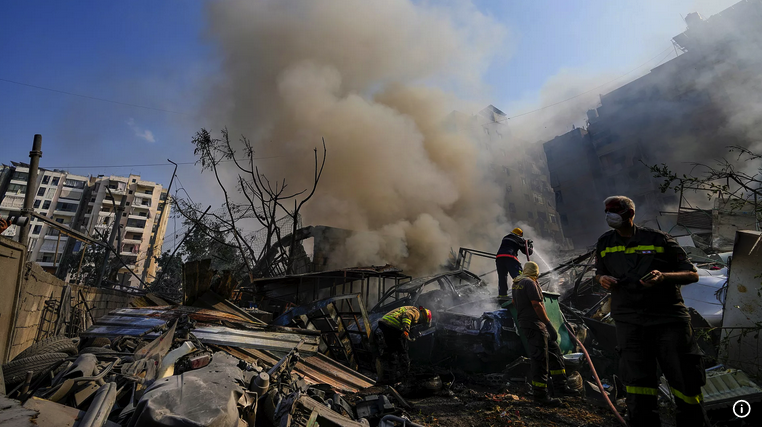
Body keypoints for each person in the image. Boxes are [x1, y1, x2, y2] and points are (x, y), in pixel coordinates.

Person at [595, 195, 704, 427]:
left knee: (684, 378)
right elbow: (599, 273)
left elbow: (692, 273)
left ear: (630, 214)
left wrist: (663, 276)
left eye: (616, 210)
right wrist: (602, 279)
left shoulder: (659, 239)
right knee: (637, 382)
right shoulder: (604, 243)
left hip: (668, 320)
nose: (610, 215)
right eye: (607, 210)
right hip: (629, 322)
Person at [512, 261, 577, 406]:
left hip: (531, 324)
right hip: (535, 325)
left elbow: (514, 302)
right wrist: (548, 324)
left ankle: (561, 387)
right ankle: (540, 396)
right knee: (540, 359)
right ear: (535, 271)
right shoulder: (529, 282)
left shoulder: (516, 283)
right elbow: (537, 304)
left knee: (555, 352)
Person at [377, 305, 432, 379]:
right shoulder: (416, 312)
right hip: (392, 325)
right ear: (424, 318)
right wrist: (406, 330)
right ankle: (404, 373)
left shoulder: (414, 311)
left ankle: (391, 373)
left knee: (392, 349)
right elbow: (407, 315)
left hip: (385, 323)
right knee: (403, 350)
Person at [496, 227, 533, 297]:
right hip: (510, 258)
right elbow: (527, 252)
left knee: (502, 277)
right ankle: (522, 294)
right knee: (518, 277)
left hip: (499, 258)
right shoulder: (519, 239)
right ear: (520, 234)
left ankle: (502, 295)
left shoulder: (506, 237)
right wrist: (530, 246)